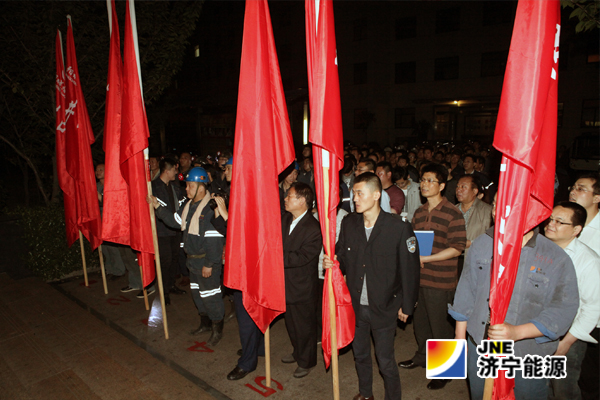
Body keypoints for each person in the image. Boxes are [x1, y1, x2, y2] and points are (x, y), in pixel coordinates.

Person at [449, 195, 579, 400]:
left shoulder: (554, 256)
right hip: (481, 345)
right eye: (495, 204)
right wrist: (459, 340)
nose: (497, 210)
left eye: (508, 205)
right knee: (479, 394)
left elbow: (562, 310)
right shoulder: (483, 243)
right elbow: (466, 291)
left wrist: (517, 332)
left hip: (527, 351)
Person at [324, 172, 420, 400]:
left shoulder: (398, 227)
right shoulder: (350, 223)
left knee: (385, 361)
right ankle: (366, 394)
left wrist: (407, 306)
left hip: (385, 306)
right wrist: (334, 261)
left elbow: (410, 270)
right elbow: (344, 257)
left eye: (360, 193)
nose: (354, 198)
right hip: (356, 306)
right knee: (360, 355)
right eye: (353, 193)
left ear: (376, 195)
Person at [399, 163, 466, 391]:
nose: (425, 185)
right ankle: (422, 357)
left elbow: (457, 248)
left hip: (441, 280)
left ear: (442, 185)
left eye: (430, 181)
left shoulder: (452, 213)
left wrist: (426, 259)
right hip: (420, 279)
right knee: (422, 324)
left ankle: (446, 371)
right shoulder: (418, 212)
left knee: (441, 328)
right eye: (424, 180)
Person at [149, 167, 226, 346]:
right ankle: (205, 324)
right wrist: (158, 207)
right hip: (192, 260)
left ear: (201, 187)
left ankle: (217, 329)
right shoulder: (188, 206)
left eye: (190, 186)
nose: (186, 189)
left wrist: (210, 263)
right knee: (198, 295)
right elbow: (175, 220)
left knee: (211, 296)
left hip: (205, 260)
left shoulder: (210, 208)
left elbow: (215, 239)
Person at [545, 202, 600, 400]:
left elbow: (592, 308)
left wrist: (566, 342)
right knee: (541, 386)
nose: (551, 224)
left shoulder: (588, 261)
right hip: (538, 329)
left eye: (559, 222)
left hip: (568, 335)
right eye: (550, 219)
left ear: (576, 230)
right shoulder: (540, 249)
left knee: (563, 391)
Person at [280, 182, 322, 378]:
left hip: (302, 286)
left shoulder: (313, 227)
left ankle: (307, 361)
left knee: (304, 326)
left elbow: (303, 257)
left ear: (303, 201)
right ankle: (297, 352)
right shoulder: (286, 218)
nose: (286, 199)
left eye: (290, 196)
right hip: (285, 284)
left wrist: (275, 256)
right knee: (290, 324)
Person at [151, 157, 187, 306]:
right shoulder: (153, 187)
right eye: (174, 169)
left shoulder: (174, 186)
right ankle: (164, 290)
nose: (176, 172)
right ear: (167, 170)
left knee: (174, 259)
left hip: (175, 230)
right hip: (162, 231)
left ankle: (171, 285)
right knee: (165, 261)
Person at [455, 175, 492, 255]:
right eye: (457, 186)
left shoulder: (487, 211)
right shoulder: (452, 210)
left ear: (475, 191)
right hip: (453, 258)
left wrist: (471, 243)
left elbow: (491, 238)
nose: (459, 190)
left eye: (463, 187)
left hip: (475, 257)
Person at [569, 173, 600, 256]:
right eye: (573, 188)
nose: (572, 192)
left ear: (596, 198)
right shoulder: (563, 221)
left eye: (580, 189)